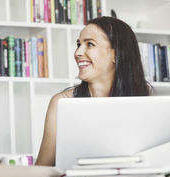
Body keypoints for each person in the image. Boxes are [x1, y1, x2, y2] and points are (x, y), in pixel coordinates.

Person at [36, 16, 150, 166]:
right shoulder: (61, 103)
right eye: (78, 44)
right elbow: (42, 169)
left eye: (89, 44)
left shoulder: (144, 98)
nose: (77, 52)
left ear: (116, 54)